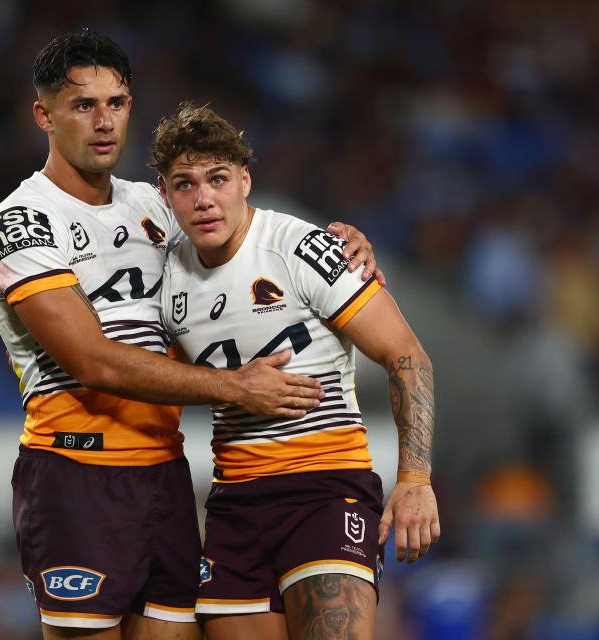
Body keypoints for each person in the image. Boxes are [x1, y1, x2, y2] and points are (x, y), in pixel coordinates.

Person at [0, 31, 382, 640]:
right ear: (44, 115)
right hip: (77, 474)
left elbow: (249, 231)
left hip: (166, 477)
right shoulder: (22, 221)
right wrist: (234, 388)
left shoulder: (159, 206)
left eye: (115, 103)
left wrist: (339, 244)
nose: (103, 121)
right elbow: (91, 361)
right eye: (82, 105)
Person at [151, 103, 440, 640]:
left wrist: (416, 479)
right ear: (165, 196)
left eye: (217, 179)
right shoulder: (166, 276)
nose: (204, 198)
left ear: (245, 181)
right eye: (184, 184)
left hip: (325, 492)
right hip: (234, 504)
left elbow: (406, 354)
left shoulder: (302, 249)